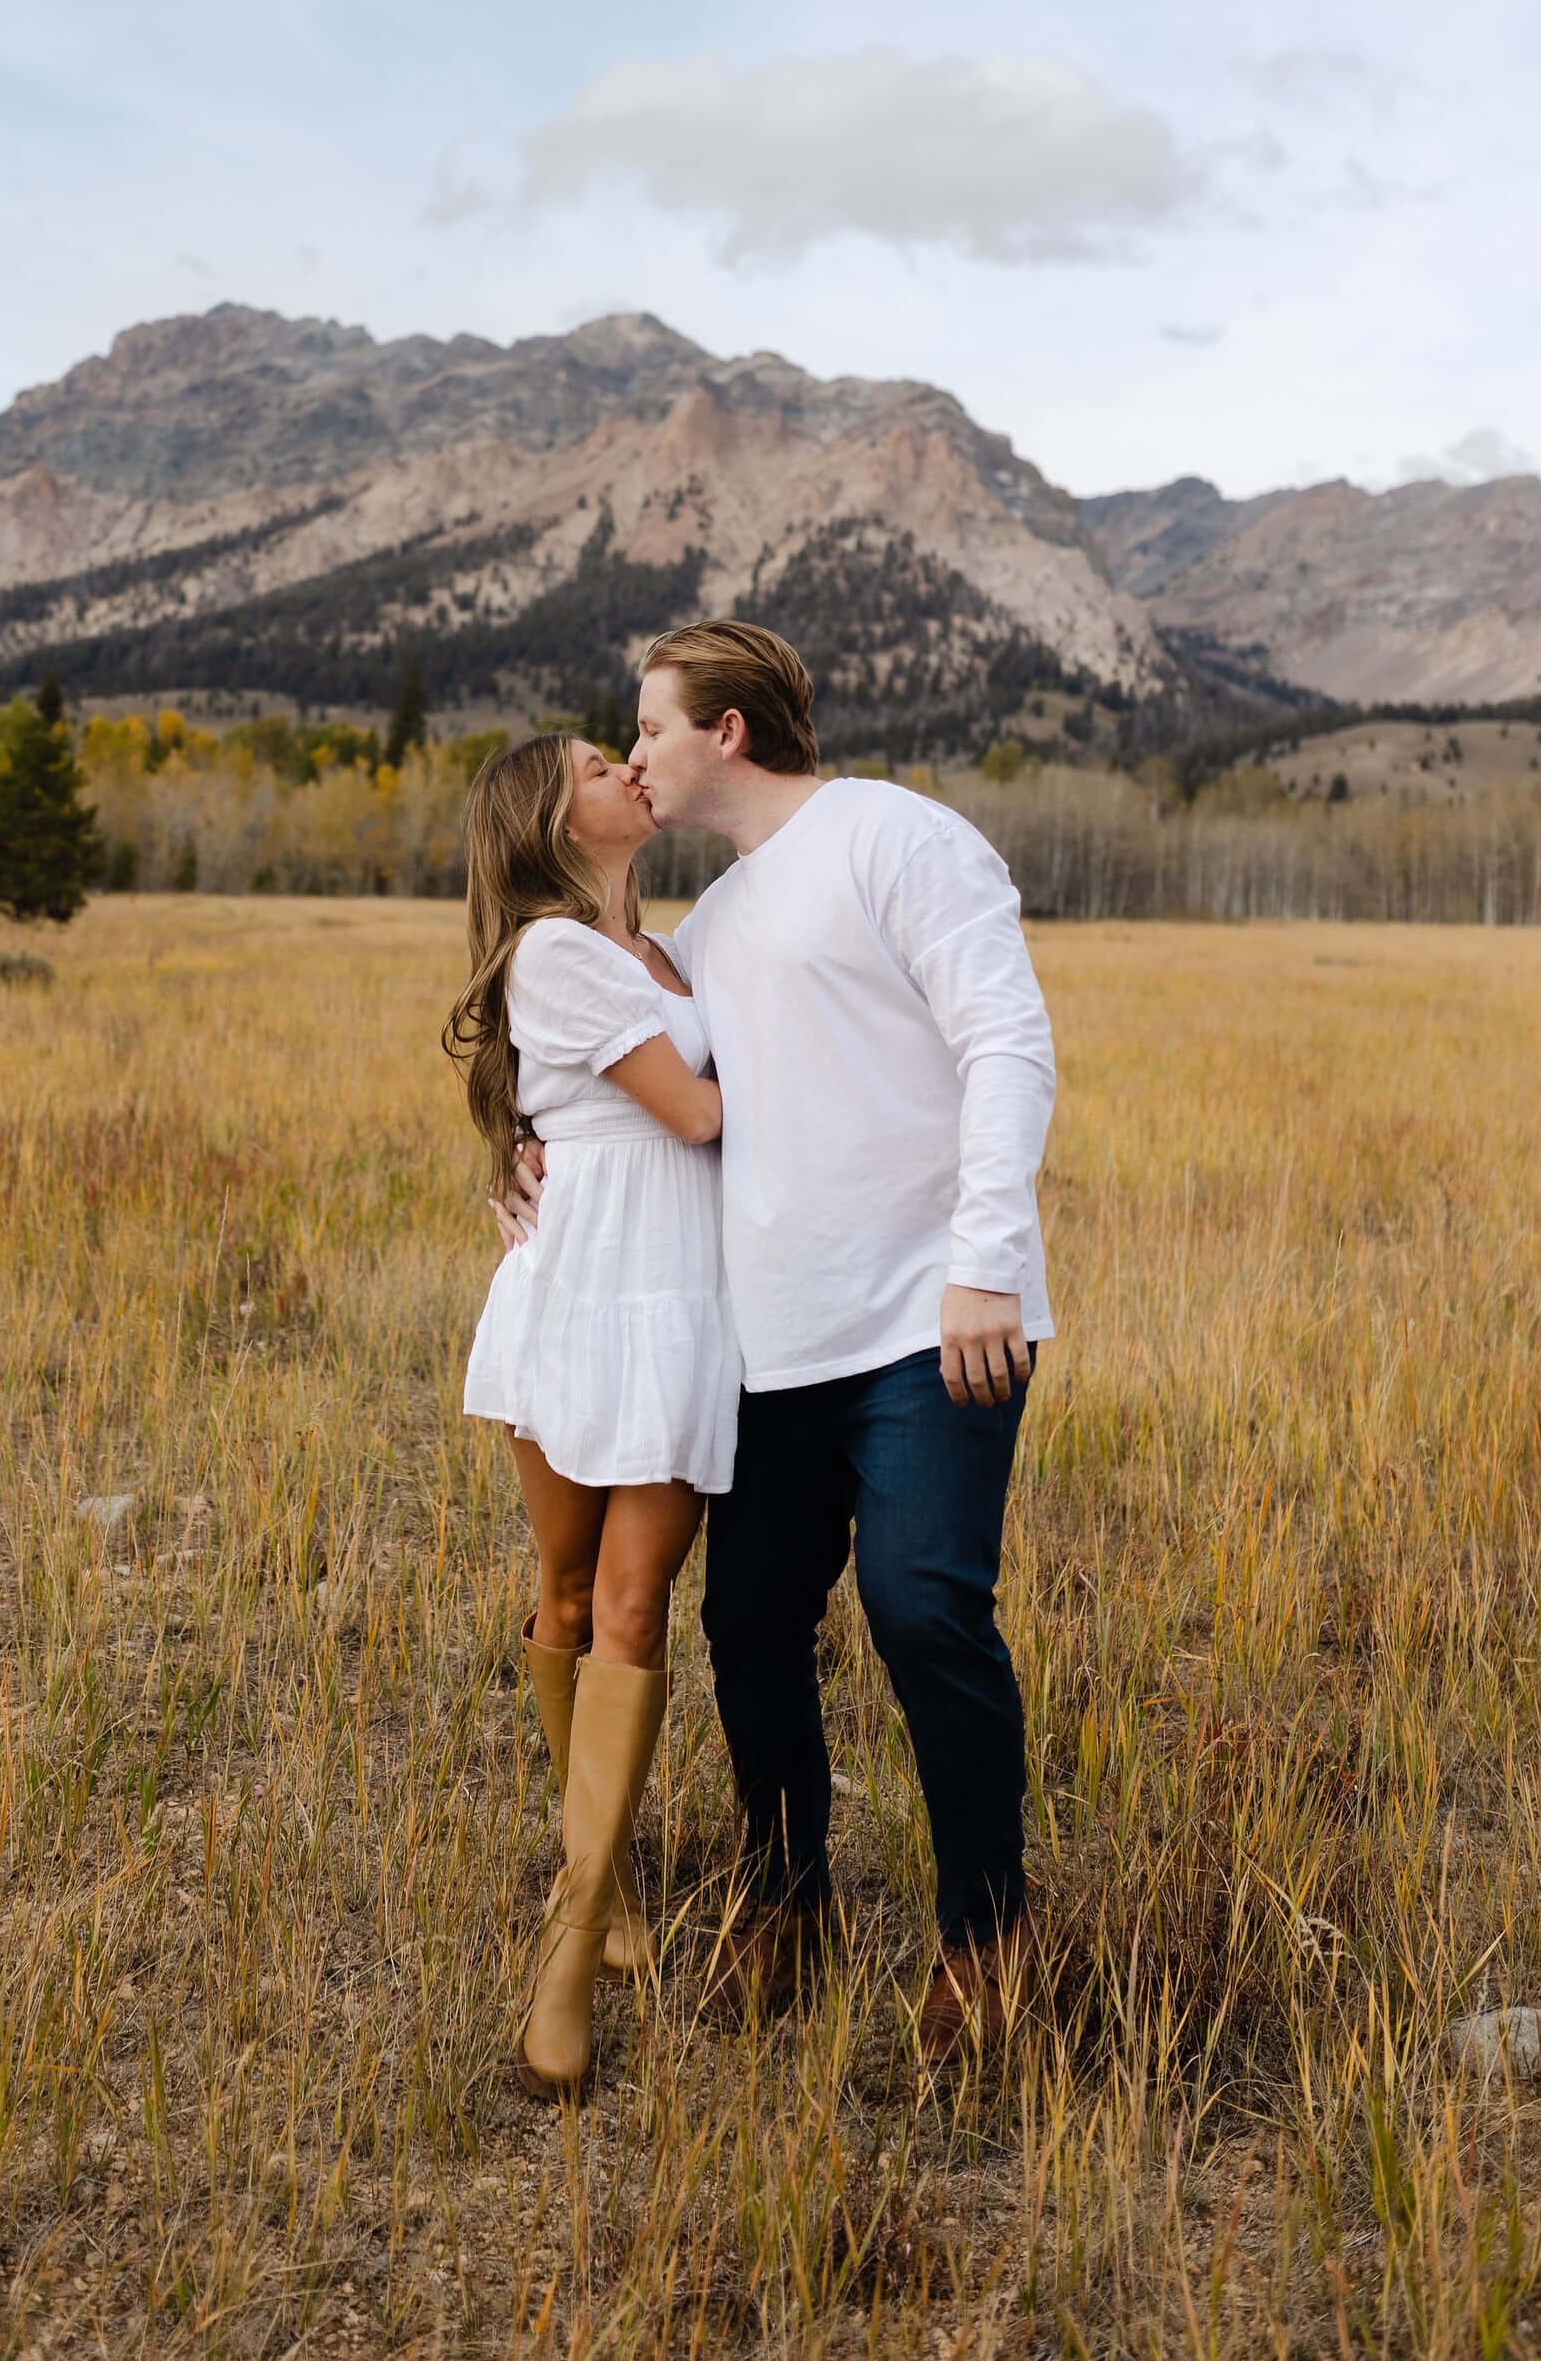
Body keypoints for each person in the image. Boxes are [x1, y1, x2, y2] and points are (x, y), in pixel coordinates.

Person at [501, 622, 1055, 2060]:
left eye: (650, 726)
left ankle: (985, 1939)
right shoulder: (714, 931)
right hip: (772, 1346)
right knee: (747, 1626)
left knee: (926, 1608)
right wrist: (521, 1139)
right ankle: (787, 1898)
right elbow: (602, 1054)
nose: (634, 752)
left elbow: (1007, 1037)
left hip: (934, 1319)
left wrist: (986, 1263)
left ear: (726, 733)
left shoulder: (898, 838)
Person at [445, 732, 742, 2099]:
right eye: (595, 765)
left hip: (683, 1306)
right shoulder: (557, 954)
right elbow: (690, 1114)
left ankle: (572, 1940)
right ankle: (605, 1882)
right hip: (578, 1294)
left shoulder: (679, 951)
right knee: (563, 1594)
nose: (630, 767)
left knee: (633, 1609)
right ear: (548, 822)